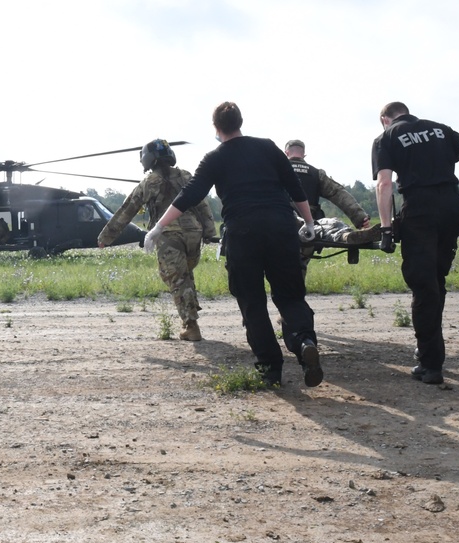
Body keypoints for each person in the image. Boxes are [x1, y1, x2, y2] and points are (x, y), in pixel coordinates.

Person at [145, 102, 323, 388]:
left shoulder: (214, 158)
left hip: (243, 233)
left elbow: (189, 195)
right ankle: (304, 343)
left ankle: (270, 369)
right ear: (241, 121)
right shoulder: (268, 147)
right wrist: (310, 223)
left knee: (252, 302)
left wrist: (158, 226)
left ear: (216, 128)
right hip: (281, 228)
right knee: (290, 296)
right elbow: (295, 187)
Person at [372, 101, 459, 385]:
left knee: (423, 285)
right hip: (452, 208)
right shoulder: (440, 129)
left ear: (385, 119)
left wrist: (385, 229)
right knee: (436, 279)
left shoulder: (386, 137)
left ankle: (431, 365)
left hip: (420, 210)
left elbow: (385, 183)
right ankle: (430, 352)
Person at [98, 139, 218, 341]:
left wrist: (105, 237)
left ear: (147, 160)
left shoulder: (148, 183)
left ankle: (191, 326)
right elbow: (203, 206)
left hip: (168, 235)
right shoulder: (187, 177)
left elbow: (126, 211)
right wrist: (209, 231)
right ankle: (190, 313)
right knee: (185, 276)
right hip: (193, 234)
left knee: (177, 279)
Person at [285, 139, 375, 274]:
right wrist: (360, 218)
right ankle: (345, 235)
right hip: (309, 229)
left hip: (281, 223)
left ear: (286, 153)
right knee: (331, 225)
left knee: (282, 268)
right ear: (304, 155)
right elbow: (338, 193)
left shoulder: (276, 171)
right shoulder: (316, 174)